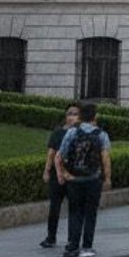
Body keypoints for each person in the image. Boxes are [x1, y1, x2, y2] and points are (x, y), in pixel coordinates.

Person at [55, 102, 113, 257]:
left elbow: (60, 156)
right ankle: (87, 247)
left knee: (75, 212)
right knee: (90, 213)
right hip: (93, 179)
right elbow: (106, 159)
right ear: (95, 116)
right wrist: (107, 178)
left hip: (74, 180)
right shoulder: (101, 135)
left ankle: (72, 246)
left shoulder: (72, 132)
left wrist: (64, 174)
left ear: (80, 116)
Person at [39, 103, 82, 249]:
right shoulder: (58, 132)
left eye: (75, 114)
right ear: (65, 116)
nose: (72, 117)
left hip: (73, 176)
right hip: (56, 177)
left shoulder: (81, 133)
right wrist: (46, 171)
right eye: (70, 114)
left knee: (74, 208)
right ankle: (51, 237)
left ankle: (72, 239)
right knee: (54, 207)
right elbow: (51, 153)